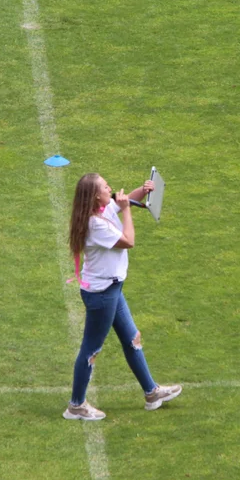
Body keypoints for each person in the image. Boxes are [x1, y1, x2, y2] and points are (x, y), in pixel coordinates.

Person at [64, 173, 182, 421]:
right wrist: (127, 211)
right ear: (96, 196)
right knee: (91, 348)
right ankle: (76, 405)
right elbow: (128, 241)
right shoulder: (95, 224)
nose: (111, 188)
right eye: (106, 187)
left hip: (112, 290)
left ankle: (152, 393)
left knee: (132, 339)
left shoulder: (101, 209)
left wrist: (144, 189)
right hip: (102, 295)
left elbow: (123, 200)